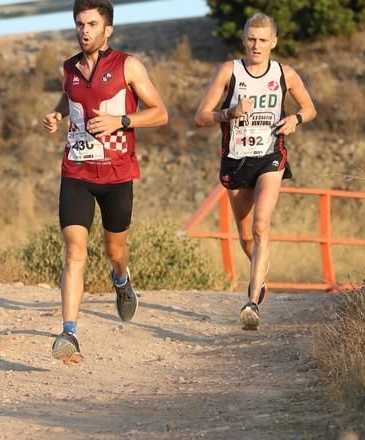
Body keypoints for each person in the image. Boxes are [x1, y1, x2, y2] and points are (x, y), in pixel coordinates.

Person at [43, 0, 168, 361]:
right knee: (74, 250)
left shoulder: (128, 65)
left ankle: (121, 280)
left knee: (115, 252)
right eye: (80, 24)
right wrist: (57, 113)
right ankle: (69, 333)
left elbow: (160, 113)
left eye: (92, 24)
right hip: (77, 172)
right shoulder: (68, 68)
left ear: (107, 30)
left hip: (117, 173)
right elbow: (72, 96)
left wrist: (122, 121)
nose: (84, 30)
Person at [193, 13, 316, 330]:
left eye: (263, 40)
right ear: (244, 40)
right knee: (247, 236)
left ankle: (251, 303)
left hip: (270, 157)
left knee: (262, 225)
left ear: (273, 41)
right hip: (235, 159)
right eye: (251, 39)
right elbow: (201, 116)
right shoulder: (229, 72)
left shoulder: (285, 74)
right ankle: (260, 274)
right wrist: (230, 112)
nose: (256, 46)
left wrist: (296, 120)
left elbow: (309, 108)